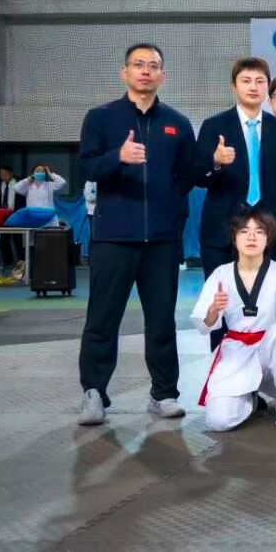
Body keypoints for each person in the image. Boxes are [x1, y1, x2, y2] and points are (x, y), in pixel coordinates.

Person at [77, 43, 196, 426]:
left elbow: (187, 177)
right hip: (113, 238)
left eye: (154, 65)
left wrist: (171, 215)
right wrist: (118, 158)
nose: (146, 71)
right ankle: (94, 393)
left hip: (161, 241)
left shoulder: (178, 123)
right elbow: (87, 168)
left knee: (161, 321)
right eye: (138, 64)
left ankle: (164, 394)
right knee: (102, 320)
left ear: (163, 75)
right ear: (124, 72)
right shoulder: (101, 118)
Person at [196, 57, 276, 350]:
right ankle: (223, 369)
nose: (253, 87)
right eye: (246, 81)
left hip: (270, 231)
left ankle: (265, 372)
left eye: (259, 81)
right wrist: (215, 162)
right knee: (222, 304)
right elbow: (196, 176)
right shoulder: (214, 126)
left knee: (268, 305)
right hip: (221, 231)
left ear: (267, 88)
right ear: (234, 86)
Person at [192, 209, 276, 433]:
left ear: (267, 239)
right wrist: (213, 310)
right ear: (234, 238)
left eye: (259, 231)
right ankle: (251, 398)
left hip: (272, 353)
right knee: (219, 421)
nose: (251, 237)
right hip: (237, 353)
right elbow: (203, 325)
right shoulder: (221, 274)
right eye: (244, 231)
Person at [0, 164, 25, 265]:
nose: (3, 176)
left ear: (11, 173)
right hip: (2, 215)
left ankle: (22, 263)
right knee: (4, 240)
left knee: (18, 240)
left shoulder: (20, 182)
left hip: (17, 214)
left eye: (5, 174)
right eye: (1, 174)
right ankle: (8, 262)